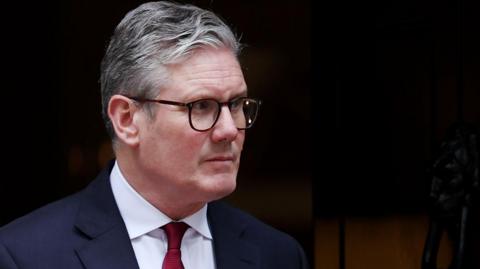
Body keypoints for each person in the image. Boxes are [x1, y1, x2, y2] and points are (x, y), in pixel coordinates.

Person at [0, 1, 309, 269]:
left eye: (237, 104)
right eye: (201, 106)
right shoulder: (24, 255)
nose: (230, 129)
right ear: (127, 119)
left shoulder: (278, 255)